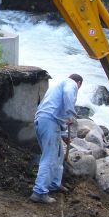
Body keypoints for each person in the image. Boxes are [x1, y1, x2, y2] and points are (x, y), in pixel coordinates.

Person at [30, 73, 83, 204]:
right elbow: (68, 94)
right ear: (79, 83)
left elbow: (56, 111)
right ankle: (39, 192)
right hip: (49, 122)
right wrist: (71, 114)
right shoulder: (71, 84)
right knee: (49, 157)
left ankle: (54, 183)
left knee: (58, 155)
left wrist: (64, 134)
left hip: (45, 121)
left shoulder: (57, 85)